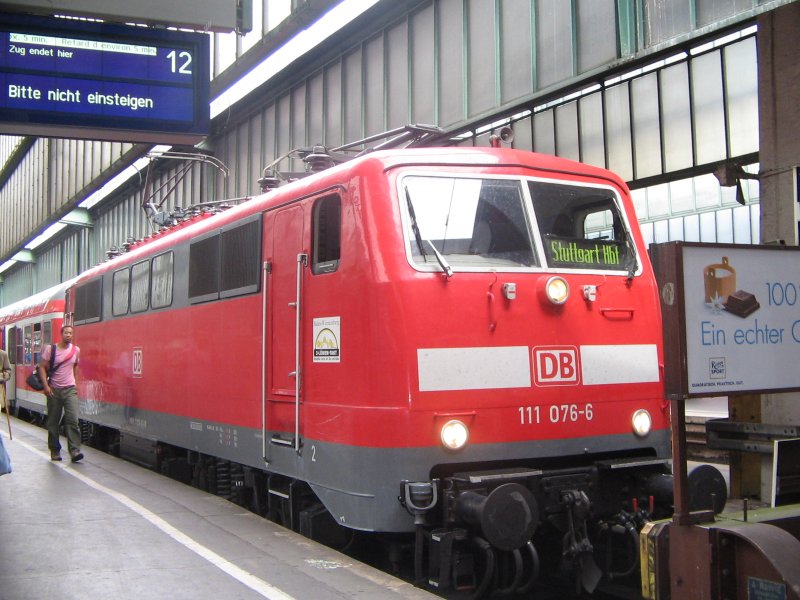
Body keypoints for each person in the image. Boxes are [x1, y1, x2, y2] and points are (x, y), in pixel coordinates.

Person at [39, 326, 83, 462]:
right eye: (66, 333)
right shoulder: (51, 350)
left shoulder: (76, 350)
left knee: (73, 420)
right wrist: (46, 386)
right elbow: (41, 367)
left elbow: (75, 366)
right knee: (53, 422)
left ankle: (75, 450)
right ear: (61, 334)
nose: (68, 335)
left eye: (70, 333)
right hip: (54, 390)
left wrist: (75, 384)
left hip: (70, 390)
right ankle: (55, 450)